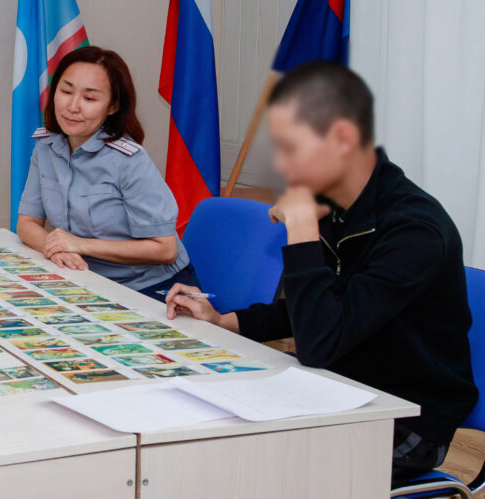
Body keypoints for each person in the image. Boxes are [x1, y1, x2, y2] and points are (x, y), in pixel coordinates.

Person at [164, 61, 478, 486]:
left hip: (406, 420)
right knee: (200, 433)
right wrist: (225, 321)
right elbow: (317, 310)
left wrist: (302, 232)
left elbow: (320, 342)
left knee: (249, 471)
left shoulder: (415, 230)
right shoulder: (338, 204)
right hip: (336, 389)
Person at [16, 46, 198, 300]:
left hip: (150, 286)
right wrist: (55, 247)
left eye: (89, 99)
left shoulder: (128, 160)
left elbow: (165, 249)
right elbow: (26, 223)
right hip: (86, 280)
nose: (73, 106)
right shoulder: (46, 146)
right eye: (66, 92)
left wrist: (79, 244)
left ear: (112, 106)